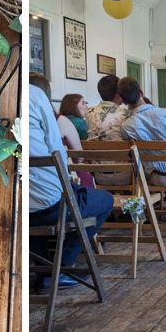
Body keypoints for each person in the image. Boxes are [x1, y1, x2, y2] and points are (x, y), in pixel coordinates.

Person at [28, 82, 113, 285]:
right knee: (105, 200)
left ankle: (44, 270)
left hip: (22, 205)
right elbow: (57, 148)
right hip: (50, 203)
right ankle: (61, 267)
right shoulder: (36, 97)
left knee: (35, 205)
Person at [118, 77, 166, 210]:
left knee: (165, 167)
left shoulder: (126, 127)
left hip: (157, 177)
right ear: (141, 93)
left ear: (123, 101)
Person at [30, 74, 95, 188]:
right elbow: (79, 156)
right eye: (83, 103)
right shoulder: (60, 121)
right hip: (64, 181)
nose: (86, 106)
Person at [85, 75, 130, 141]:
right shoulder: (126, 114)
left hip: (92, 150)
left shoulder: (89, 112)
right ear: (118, 93)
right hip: (119, 150)